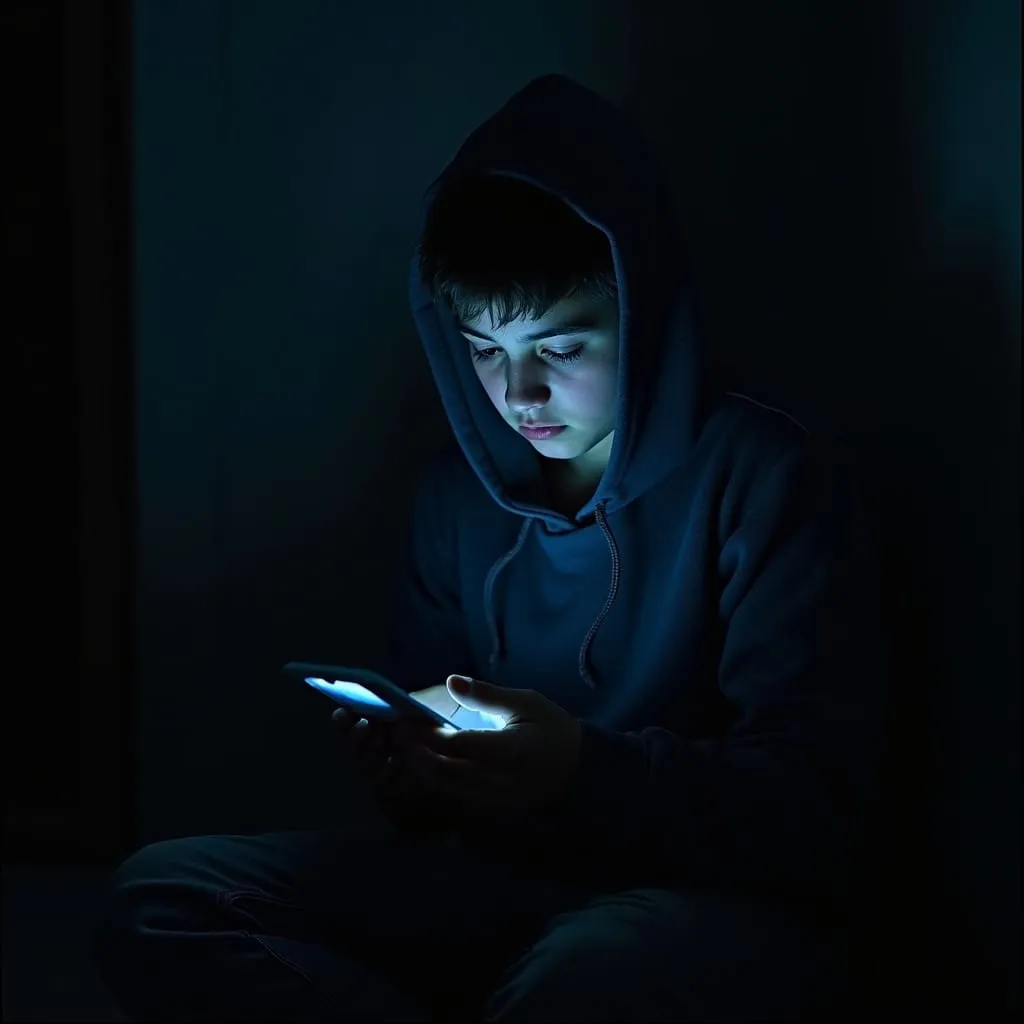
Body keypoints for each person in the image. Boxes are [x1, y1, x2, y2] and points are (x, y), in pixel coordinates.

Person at [93, 74, 884, 1021]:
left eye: (559, 348)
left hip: (690, 904)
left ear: (644, 309)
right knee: (162, 897)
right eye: (483, 348)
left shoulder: (761, 474)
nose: (520, 396)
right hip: (497, 881)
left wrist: (585, 772)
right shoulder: (457, 495)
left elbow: (811, 812)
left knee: (592, 973)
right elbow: (429, 767)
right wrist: (412, 769)